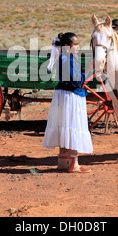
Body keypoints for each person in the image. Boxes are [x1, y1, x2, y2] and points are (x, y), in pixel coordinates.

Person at [43, 32, 93, 173]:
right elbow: (76, 81)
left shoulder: (66, 57)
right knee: (72, 125)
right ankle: (73, 165)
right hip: (70, 97)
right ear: (66, 46)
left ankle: (64, 163)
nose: (77, 47)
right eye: (75, 45)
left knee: (65, 127)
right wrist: (88, 70)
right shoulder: (66, 59)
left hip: (63, 95)